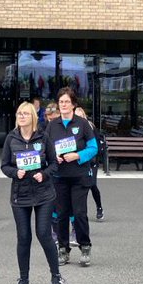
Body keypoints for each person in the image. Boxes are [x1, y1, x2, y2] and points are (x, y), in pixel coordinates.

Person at [1, 100, 63, 284]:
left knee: (43, 233)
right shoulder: (11, 139)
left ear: (33, 117)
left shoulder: (43, 138)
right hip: (20, 194)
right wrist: (14, 173)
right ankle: (24, 279)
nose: (21, 116)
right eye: (19, 113)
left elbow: (54, 163)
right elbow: (4, 165)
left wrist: (43, 174)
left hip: (44, 193)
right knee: (23, 237)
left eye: (25, 113)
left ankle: (56, 276)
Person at [46, 87, 97, 267]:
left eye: (67, 101)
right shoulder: (52, 125)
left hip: (79, 175)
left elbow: (93, 148)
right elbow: (47, 149)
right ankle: (63, 249)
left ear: (73, 104)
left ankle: (85, 246)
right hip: (59, 177)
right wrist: (54, 157)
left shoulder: (82, 124)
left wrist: (77, 155)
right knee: (61, 215)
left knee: (80, 213)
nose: (64, 105)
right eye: (61, 102)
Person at [75, 107, 105, 220]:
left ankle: (99, 207)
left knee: (92, 185)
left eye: (80, 115)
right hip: (78, 162)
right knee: (81, 188)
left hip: (91, 162)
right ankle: (81, 213)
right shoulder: (73, 128)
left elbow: (96, 145)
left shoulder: (90, 127)